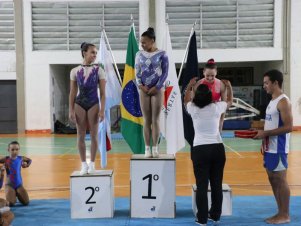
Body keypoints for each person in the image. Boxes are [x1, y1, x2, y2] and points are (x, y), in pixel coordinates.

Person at [184, 78, 233, 226]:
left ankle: (202, 218)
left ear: (196, 96)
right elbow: (230, 101)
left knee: (202, 185)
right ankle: (216, 215)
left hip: (200, 149)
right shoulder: (217, 107)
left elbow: (185, 100)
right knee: (217, 184)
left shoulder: (193, 108)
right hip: (217, 148)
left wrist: (190, 85)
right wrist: (229, 87)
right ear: (210, 96)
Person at [253, 69, 292, 224]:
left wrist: (266, 133)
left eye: (266, 83)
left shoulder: (283, 101)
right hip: (270, 147)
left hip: (279, 148)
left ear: (276, 83)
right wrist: (261, 133)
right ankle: (280, 212)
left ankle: (285, 214)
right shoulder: (272, 101)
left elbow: (289, 127)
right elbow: (271, 123)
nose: (264, 86)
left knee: (280, 180)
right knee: (272, 178)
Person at [69, 42, 106, 175]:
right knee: (81, 136)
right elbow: (72, 92)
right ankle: (84, 164)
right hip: (80, 103)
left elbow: (102, 93)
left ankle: (92, 164)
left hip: (93, 104)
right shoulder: (74, 71)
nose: (95, 55)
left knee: (94, 136)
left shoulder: (99, 70)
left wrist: (102, 110)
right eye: (92, 52)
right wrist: (71, 110)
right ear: (84, 52)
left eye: (96, 53)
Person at [135, 27, 169, 158]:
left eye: (144, 42)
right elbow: (137, 71)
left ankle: (155, 147)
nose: (142, 45)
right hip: (144, 89)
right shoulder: (139, 54)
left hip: (157, 89)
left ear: (152, 41)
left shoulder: (162, 54)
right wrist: (140, 86)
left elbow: (165, 72)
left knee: (155, 119)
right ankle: (147, 148)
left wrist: (158, 86)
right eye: (141, 42)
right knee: (146, 119)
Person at [195, 59, 227, 131]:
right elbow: (194, 104)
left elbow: (224, 106)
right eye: (207, 75)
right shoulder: (198, 84)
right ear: (203, 72)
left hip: (215, 117)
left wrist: (221, 122)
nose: (210, 78)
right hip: (202, 117)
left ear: (216, 73)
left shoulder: (221, 85)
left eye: (212, 76)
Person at [0, 141, 32, 207]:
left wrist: (26, 165)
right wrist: (1, 168)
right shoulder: (6, 159)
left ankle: (16, 193)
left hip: (19, 184)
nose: (15, 151)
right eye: (12, 150)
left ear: (19, 150)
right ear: (8, 150)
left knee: (26, 203)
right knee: (11, 203)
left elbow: (29, 160)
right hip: (9, 185)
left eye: (17, 149)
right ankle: (12, 194)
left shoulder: (21, 158)